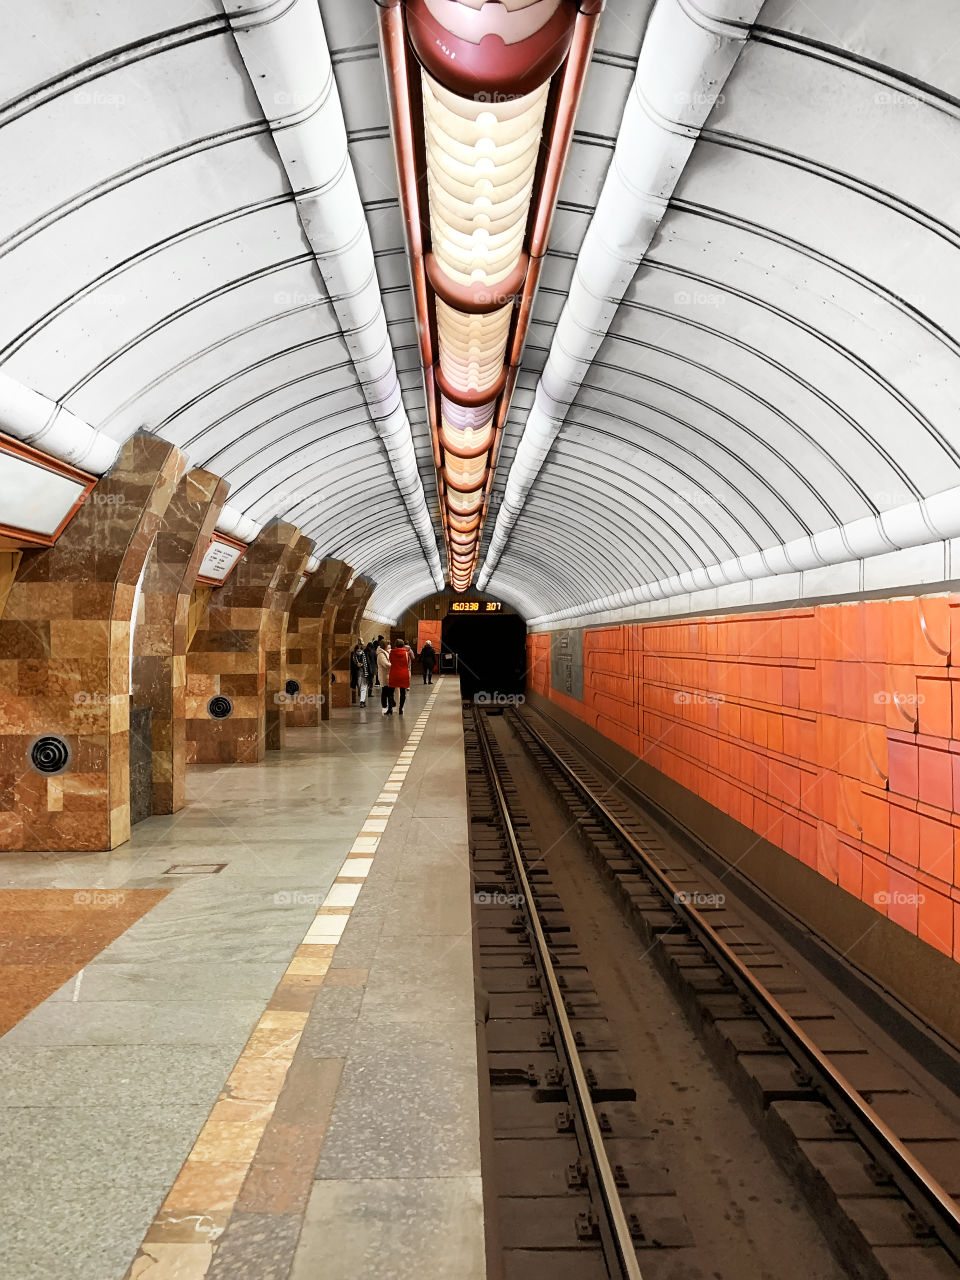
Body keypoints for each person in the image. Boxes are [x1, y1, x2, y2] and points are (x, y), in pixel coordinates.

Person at [389, 635, 411, 715]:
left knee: (391, 692)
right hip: (403, 674)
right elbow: (407, 663)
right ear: (403, 645)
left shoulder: (391, 652)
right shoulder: (406, 653)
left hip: (394, 673)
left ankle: (391, 707)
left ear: (395, 645)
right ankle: (401, 709)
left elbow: (390, 661)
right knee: (403, 693)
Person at [350, 640, 370, 707]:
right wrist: (357, 665)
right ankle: (363, 701)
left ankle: (362, 701)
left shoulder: (365, 655)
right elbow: (352, 666)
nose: (359, 652)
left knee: (363, 687)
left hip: (364, 673)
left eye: (360, 650)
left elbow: (368, 664)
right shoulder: (353, 656)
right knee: (359, 686)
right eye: (358, 650)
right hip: (357, 673)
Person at [377, 637, 393, 714]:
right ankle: (384, 706)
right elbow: (386, 664)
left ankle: (390, 706)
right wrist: (393, 664)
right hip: (384, 675)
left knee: (388, 691)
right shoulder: (381, 654)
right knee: (385, 691)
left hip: (387, 675)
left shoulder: (385, 652)